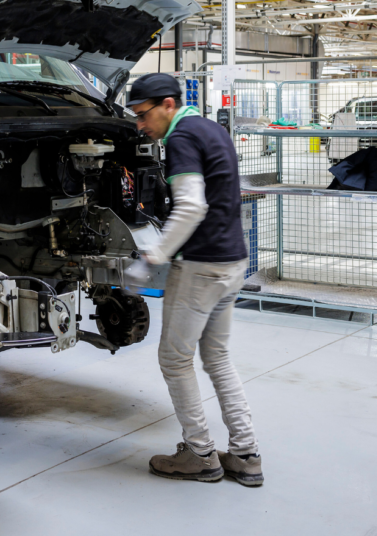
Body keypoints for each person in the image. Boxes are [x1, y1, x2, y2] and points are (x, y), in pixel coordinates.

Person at [126, 73, 262, 487]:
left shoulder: (181, 138)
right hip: (232, 261)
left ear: (168, 104)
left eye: (144, 115)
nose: (140, 125)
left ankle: (201, 455)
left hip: (200, 267)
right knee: (217, 358)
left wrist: (153, 255)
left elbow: (189, 207)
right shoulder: (210, 129)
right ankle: (245, 453)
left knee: (174, 359)